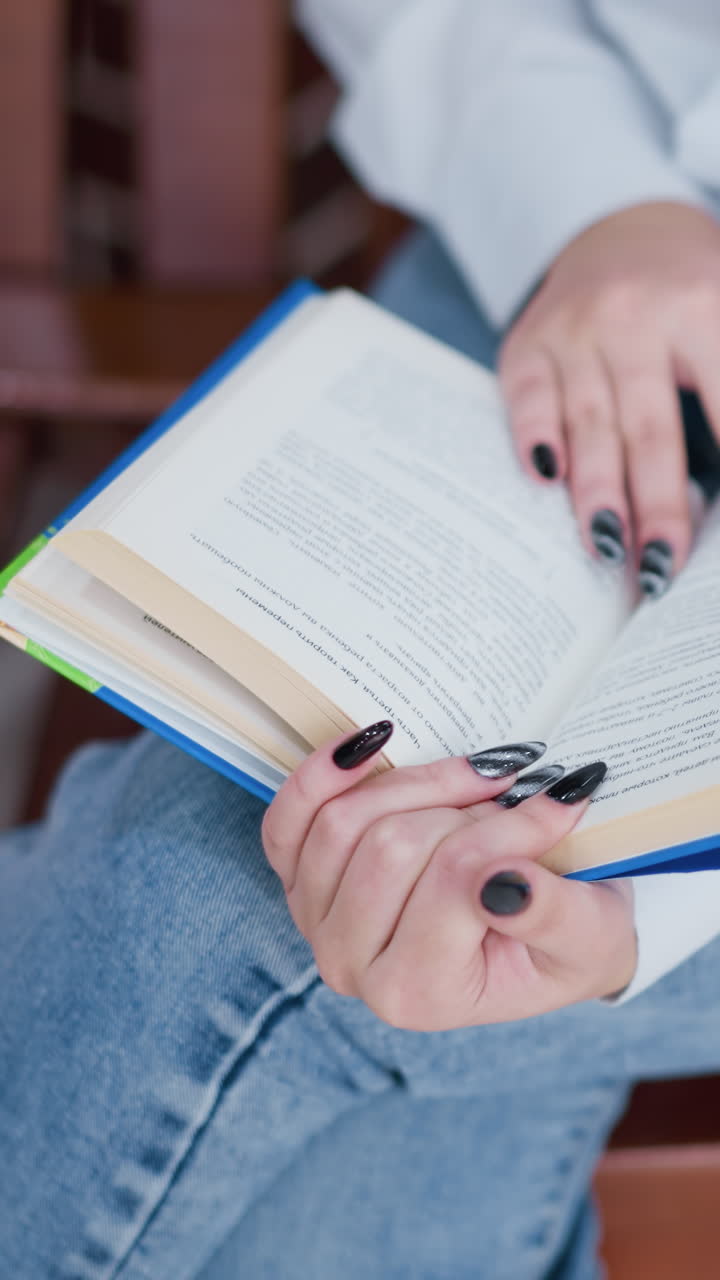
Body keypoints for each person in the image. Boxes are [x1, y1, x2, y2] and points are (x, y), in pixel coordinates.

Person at [3, 3, 720, 1277]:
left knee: (243, 904)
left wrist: (641, 913)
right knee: (300, 869)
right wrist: (599, 206)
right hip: (584, 227)